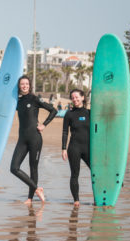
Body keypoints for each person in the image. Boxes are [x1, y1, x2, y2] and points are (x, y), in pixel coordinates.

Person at [10, 75, 57, 205]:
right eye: (22, 84)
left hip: (35, 138)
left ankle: (30, 198)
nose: (24, 86)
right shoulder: (16, 101)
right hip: (22, 139)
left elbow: (53, 110)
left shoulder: (35, 99)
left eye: (26, 84)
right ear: (19, 86)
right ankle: (37, 189)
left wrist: (44, 124)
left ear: (30, 85)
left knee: (33, 168)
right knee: (14, 168)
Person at [62, 89, 90, 207]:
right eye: (73, 98)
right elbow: (64, 132)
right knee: (74, 174)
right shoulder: (69, 114)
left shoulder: (90, 113)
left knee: (96, 171)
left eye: (77, 97)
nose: (75, 99)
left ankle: (99, 197)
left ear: (83, 97)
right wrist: (63, 148)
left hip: (88, 147)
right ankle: (76, 200)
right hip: (74, 148)